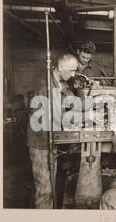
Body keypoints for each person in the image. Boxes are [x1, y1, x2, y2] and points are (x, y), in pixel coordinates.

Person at [26, 54, 79, 209]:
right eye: (72, 71)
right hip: (40, 144)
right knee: (44, 189)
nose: (73, 74)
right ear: (61, 68)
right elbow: (48, 116)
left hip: (49, 140)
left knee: (50, 184)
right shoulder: (46, 86)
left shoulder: (55, 82)